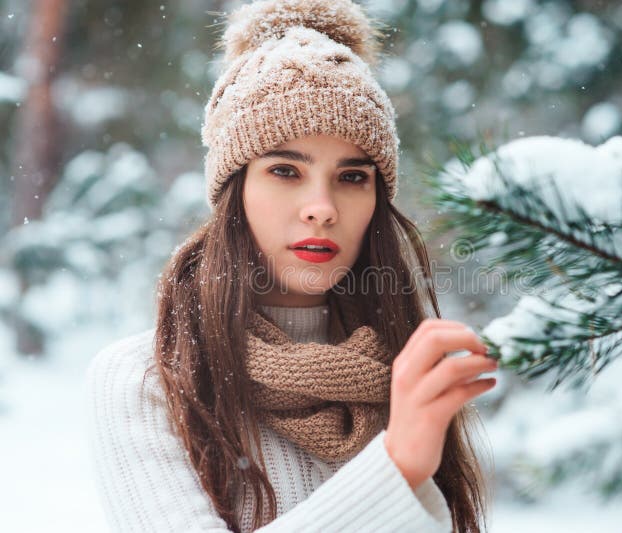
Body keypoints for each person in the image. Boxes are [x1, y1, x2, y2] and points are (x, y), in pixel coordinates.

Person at [84, 1, 497, 531]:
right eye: (285, 170)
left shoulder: (406, 372)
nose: (322, 207)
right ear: (234, 191)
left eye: (352, 177)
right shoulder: (146, 377)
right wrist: (395, 468)